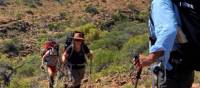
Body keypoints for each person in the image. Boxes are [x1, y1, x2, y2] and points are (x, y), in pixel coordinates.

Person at [135, 0, 199, 88]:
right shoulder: (178, 2)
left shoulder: (160, 2)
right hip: (186, 63)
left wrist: (150, 57)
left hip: (169, 68)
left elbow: (168, 30)